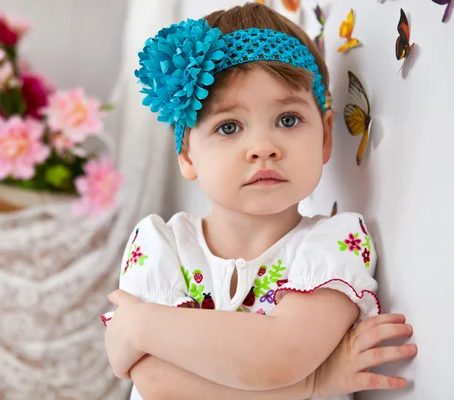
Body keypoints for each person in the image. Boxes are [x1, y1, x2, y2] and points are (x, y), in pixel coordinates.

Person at [103, 3, 416, 399]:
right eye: (229, 126)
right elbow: (156, 381)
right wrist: (314, 383)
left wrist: (144, 325)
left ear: (324, 138)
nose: (263, 148)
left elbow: (281, 353)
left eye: (288, 120)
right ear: (186, 155)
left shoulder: (333, 245)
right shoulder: (162, 244)